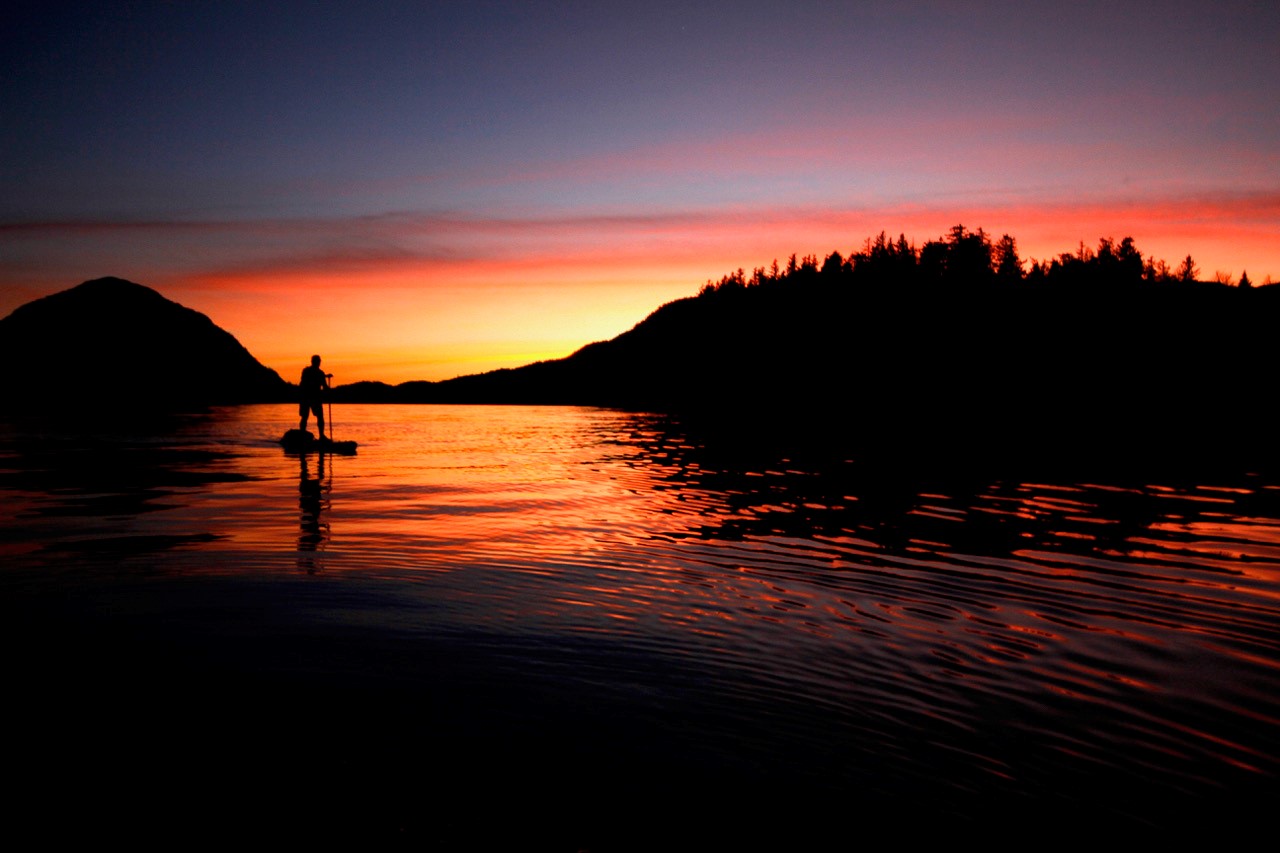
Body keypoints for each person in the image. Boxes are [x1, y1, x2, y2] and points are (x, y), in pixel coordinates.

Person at [299, 355, 331, 438]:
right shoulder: (309, 371)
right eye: (317, 361)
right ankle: (303, 434)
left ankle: (321, 435)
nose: (318, 363)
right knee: (305, 416)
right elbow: (303, 383)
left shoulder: (319, 373)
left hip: (313, 398)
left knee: (319, 417)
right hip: (307, 397)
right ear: (313, 362)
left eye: (319, 361)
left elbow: (324, 386)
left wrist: (328, 388)